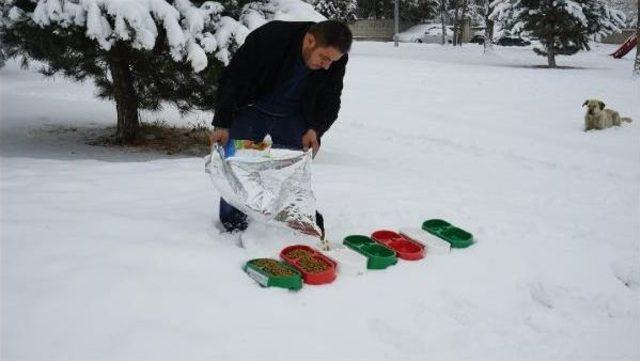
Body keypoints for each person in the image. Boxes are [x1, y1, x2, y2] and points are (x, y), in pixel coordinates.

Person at [209, 20, 353, 233]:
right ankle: (233, 225)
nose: (327, 66)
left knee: (292, 171)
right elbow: (234, 78)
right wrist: (222, 122)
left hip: (293, 116)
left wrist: (316, 128)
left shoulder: (334, 59)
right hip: (253, 108)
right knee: (237, 163)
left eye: (332, 61)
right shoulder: (272, 37)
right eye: (324, 57)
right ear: (310, 40)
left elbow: (331, 98)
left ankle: (287, 219)